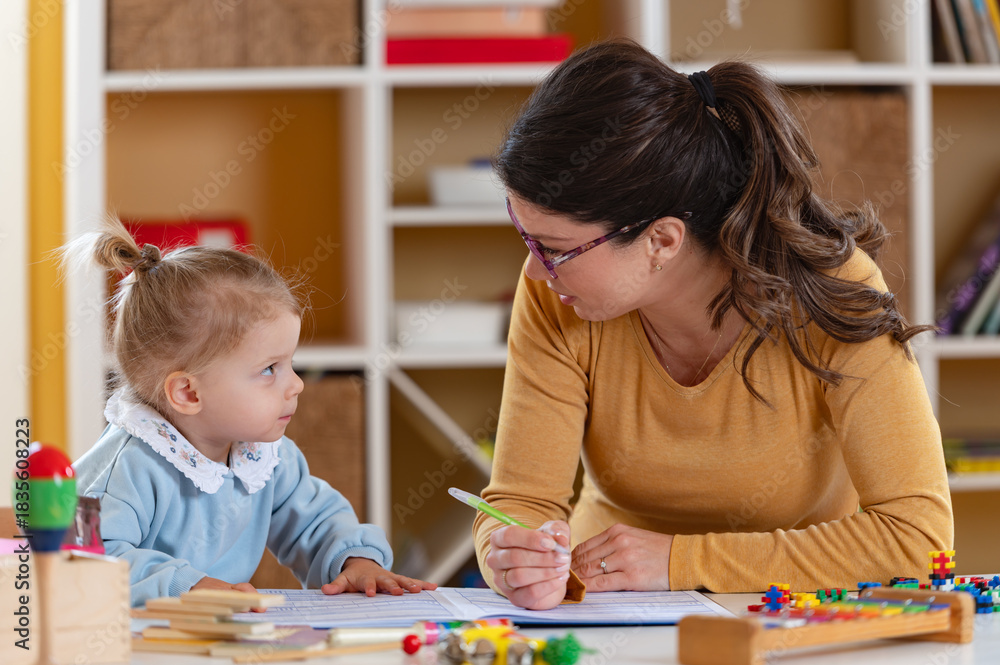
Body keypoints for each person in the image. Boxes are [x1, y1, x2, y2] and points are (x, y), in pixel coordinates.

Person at [472, 40, 953, 611]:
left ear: (661, 240)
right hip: (608, 605)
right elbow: (521, 501)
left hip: (792, 615)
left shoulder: (834, 290)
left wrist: (679, 562)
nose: (532, 269)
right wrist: (509, 551)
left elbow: (917, 537)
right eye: (525, 237)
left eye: (553, 248)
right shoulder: (556, 296)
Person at [68, 218, 436, 607]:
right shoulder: (127, 468)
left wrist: (354, 559)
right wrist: (186, 586)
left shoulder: (264, 457)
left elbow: (314, 522)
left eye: (291, 364)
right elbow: (89, 559)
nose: (296, 385)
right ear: (188, 392)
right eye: (269, 369)